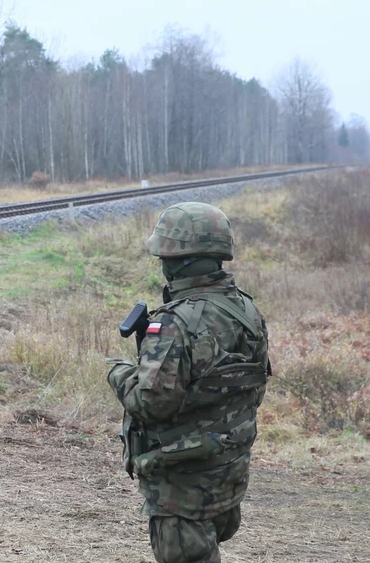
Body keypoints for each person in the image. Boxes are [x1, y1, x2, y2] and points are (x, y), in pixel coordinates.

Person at [106, 202, 270, 563]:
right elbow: (251, 387)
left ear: (178, 259)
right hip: (225, 467)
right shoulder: (245, 310)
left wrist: (118, 372)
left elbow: (150, 403)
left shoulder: (175, 323)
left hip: (181, 481)